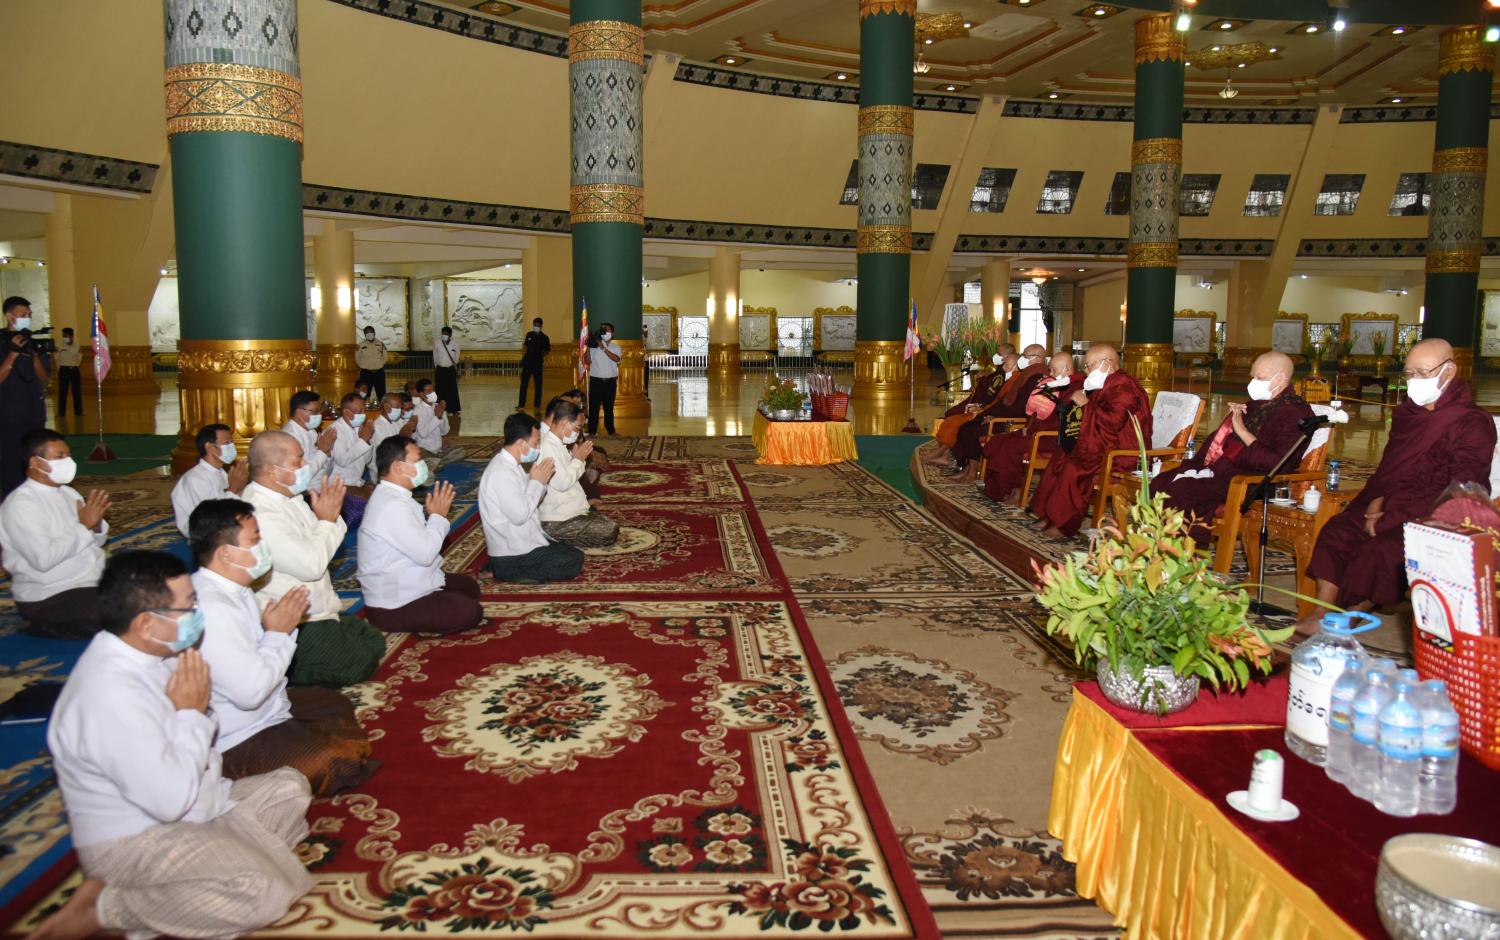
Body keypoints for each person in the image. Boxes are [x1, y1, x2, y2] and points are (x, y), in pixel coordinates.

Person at [35, 551, 314, 940]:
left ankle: (225, 860)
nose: (198, 615)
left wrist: (195, 716)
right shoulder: (110, 697)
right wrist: (191, 715)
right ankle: (107, 907)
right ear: (146, 623)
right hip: (140, 837)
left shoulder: (154, 652)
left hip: (198, 805)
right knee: (262, 892)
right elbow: (169, 802)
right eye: (188, 608)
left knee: (289, 788)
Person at [189, 499, 377, 797]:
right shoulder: (211, 609)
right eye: (255, 540)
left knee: (333, 704)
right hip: (236, 737)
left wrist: (276, 633)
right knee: (336, 762)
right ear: (225, 553)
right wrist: (278, 634)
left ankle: (308, 744)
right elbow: (250, 694)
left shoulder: (237, 589)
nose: (264, 547)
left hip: (271, 707)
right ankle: (240, 777)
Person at [1305, 338, 1496, 619]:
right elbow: (1390, 471)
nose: (1414, 380)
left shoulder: (1472, 421)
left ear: (1449, 371)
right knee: (1338, 531)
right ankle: (1320, 613)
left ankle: (1346, 620)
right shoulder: (1407, 414)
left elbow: (1459, 490)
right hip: (1387, 503)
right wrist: (1377, 501)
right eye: (1409, 373)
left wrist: (1391, 516)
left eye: (1422, 372)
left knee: (1381, 551)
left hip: (1436, 515)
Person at [242, 431, 385, 688]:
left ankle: (314, 652)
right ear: (273, 471)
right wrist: (327, 521)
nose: (305, 465)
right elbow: (312, 566)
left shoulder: (291, 497)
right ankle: (286, 671)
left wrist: (328, 518)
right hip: (292, 621)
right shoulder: (259, 513)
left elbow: (323, 542)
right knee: (358, 664)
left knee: (373, 639)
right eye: (297, 461)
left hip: (318, 609)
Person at [1151, 352, 1313, 545]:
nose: (1253, 382)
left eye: (1260, 378)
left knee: (1183, 490)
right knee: (1161, 482)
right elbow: (1221, 445)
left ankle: (1182, 553)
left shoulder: (1295, 413)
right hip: (1227, 471)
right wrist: (1229, 425)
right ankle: (1162, 548)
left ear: (1281, 379)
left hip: (1255, 481)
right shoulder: (1258, 406)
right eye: (1252, 376)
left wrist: (1241, 430)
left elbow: (1277, 463)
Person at [358, 436, 484, 634]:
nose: (423, 465)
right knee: (471, 611)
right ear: (398, 466)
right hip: (394, 604)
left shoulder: (395, 496)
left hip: (411, 578)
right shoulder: (391, 506)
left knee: (469, 588)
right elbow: (425, 554)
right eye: (417, 460)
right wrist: (437, 516)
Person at [1031, 343, 1152, 539]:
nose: (1086, 371)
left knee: (1074, 467)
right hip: (1102, 443)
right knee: (1061, 455)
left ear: (1107, 364)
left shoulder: (1125, 387)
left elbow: (1112, 423)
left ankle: (1062, 524)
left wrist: (1086, 404)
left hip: (1122, 453)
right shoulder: (1104, 383)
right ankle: (1048, 515)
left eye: (1089, 365)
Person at [0, 429, 109, 639]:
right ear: (35, 462)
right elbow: (44, 560)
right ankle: (43, 625)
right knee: (112, 618)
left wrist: (95, 527)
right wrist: (84, 526)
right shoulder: (21, 504)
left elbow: (96, 542)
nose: (68, 461)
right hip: (50, 593)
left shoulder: (69, 493)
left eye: (68, 455)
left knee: (149, 595)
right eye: (60, 456)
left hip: (90, 581)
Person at [479, 412, 585, 582]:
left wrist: (541, 482)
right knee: (570, 564)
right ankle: (505, 571)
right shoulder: (501, 473)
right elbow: (520, 515)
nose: (538, 447)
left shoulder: (512, 465)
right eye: (536, 443)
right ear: (521, 443)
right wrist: (537, 483)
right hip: (513, 551)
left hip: (525, 540)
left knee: (576, 555)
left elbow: (531, 499)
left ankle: (500, 567)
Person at [983, 352, 1080, 503]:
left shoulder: (1076, 388)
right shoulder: (1053, 383)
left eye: (1054, 370)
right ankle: (998, 489)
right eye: (1050, 369)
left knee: (1009, 447)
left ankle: (1016, 490)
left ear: (1066, 369)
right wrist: (1028, 426)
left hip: (1052, 437)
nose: (1050, 374)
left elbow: (1068, 422)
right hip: (1035, 430)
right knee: (997, 441)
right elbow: (1035, 411)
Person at [950, 344, 1050, 483]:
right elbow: (1004, 400)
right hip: (1001, 414)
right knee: (966, 427)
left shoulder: (1037, 378)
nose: (1022, 358)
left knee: (972, 431)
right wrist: (987, 413)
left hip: (1010, 420)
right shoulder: (1026, 375)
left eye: (1026, 356)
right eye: (1022, 355)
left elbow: (1021, 407)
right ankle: (967, 468)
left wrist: (995, 417)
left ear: (1038, 358)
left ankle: (972, 472)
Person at [538, 397, 618, 547]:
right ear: (564, 423)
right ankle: (553, 538)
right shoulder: (547, 447)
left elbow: (571, 477)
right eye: (577, 428)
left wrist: (577, 460)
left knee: (606, 524)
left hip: (567, 512)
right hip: (556, 519)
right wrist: (578, 460)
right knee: (608, 530)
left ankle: (560, 538)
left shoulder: (558, 444)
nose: (578, 432)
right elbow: (562, 483)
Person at [923, 345, 1014, 468]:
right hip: (982, 407)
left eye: (999, 354)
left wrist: (983, 407)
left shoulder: (1011, 378)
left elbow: (996, 397)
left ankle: (943, 454)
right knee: (951, 418)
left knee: (958, 423)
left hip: (987, 411)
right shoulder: (1001, 371)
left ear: (1008, 358)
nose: (996, 356)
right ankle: (944, 455)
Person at [1, 296, 51, 496]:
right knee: (12, 464)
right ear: (9, 316)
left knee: (35, 461)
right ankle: (10, 504)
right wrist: (12, 355)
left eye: (29, 314)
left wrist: (35, 355)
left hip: (34, 413)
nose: (27, 318)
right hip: (8, 415)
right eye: (23, 314)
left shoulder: (32, 342)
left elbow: (44, 376)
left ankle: (34, 501)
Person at [171, 423, 249, 537]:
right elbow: (211, 518)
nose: (231, 447)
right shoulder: (195, 479)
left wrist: (241, 486)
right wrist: (233, 489)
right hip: (205, 534)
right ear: (209, 447)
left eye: (232, 442)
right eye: (226, 443)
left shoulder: (220, 472)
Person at [281, 390, 335, 493]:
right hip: (304, 493)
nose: (319, 415)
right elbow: (301, 477)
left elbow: (324, 469)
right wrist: (322, 452)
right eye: (315, 411)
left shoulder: (311, 431)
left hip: (320, 488)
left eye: (320, 411)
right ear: (299, 413)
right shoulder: (290, 436)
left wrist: (327, 452)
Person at [329, 391, 376, 493]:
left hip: (356, 482)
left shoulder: (358, 427)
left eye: (364, 410)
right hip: (339, 485)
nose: (363, 414)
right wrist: (363, 440)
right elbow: (343, 461)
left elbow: (366, 460)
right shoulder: (335, 431)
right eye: (360, 411)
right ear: (347, 413)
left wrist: (367, 440)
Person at [365, 392, 418, 484]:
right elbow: (389, 455)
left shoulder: (398, 421)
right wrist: (403, 436)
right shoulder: (377, 427)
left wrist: (411, 428)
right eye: (398, 408)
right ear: (386, 407)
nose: (401, 411)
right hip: (384, 473)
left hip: (398, 466)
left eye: (401, 408)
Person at [586, 322, 622, 436]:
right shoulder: (594, 347)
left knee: (609, 407)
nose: (605, 332)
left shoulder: (616, 347)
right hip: (596, 381)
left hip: (610, 382)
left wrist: (603, 348)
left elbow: (617, 359)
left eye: (608, 330)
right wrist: (588, 346)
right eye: (603, 330)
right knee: (594, 408)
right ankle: (592, 431)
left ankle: (611, 430)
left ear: (613, 333)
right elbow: (587, 361)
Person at [411, 377, 451, 457]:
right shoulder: (417, 411)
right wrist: (437, 417)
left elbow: (445, 432)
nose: (433, 393)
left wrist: (440, 416)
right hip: (424, 449)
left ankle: (438, 459)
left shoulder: (438, 407)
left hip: (439, 448)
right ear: (422, 394)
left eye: (433, 390)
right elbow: (423, 434)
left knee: (460, 452)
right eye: (429, 391)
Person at [518, 316, 550, 411]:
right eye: (534, 325)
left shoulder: (545, 338)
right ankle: (521, 404)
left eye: (537, 325)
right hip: (527, 363)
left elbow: (547, 350)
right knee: (523, 384)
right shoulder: (529, 334)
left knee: (538, 385)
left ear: (541, 326)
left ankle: (537, 405)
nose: (536, 327)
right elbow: (525, 347)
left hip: (537, 364)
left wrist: (540, 355)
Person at [433, 325, 462, 416]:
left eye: (446, 334)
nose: (444, 335)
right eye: (443, 333)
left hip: (450, 369)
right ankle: (440, 408)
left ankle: (453, 409)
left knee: (452, 389)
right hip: (440, 369)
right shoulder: (437, 343)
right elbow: (435, 356)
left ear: (450, 335)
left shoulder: (455, 344)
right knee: (439, 389)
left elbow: (456, 357)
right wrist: (436, 367)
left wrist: (453, 365)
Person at [55, 326, 83, 418]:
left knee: (77, 391)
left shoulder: (77, 345)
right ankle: (61, 413)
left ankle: (78, 412)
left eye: (66, 336)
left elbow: (78, 358)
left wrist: (68, 351)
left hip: (74, 370)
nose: (64, 337)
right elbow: (57, 358)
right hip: (63, 370)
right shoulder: (59, 345)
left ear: (71, 336)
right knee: (63, 392)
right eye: (63, 336)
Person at [356, 326, 388, 399]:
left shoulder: (381, 344)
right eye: (367, 332)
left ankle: (382, 405)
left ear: (374, 333)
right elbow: (357, 358)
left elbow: (385, 357)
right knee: (364, 393)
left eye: (371, 332)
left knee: (381, 392)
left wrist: (379, 365)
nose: (369, 334)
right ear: (365, 334)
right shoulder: (360, 345)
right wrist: (363, 366)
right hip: (366, 373)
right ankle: (364, 405)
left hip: (379, 373)